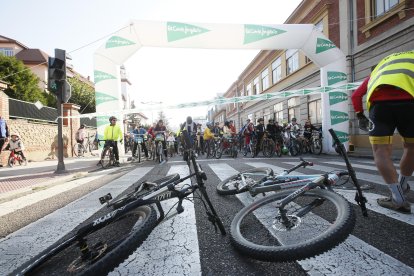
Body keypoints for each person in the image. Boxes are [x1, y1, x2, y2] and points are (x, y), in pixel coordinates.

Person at [351, 50, 414, 213]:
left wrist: (360, 115)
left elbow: (356, 95)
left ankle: (398, 198)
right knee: (411, 148)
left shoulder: (380, 68)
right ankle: (402, 185)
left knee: (381, 151)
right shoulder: (410, 61)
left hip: (380, 107)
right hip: (410, 104)